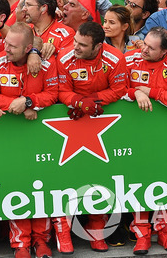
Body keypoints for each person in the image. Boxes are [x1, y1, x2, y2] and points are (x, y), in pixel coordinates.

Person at [0, 23, 59, 258]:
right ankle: (20, 244)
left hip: (41, 139)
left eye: (13, 46)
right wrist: (15, 105)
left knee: (42, 189)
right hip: (8, 140)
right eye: (6, 44)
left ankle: (41, 241)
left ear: (28, 48)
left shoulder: (46, 63)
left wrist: (28, 101)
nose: (6, 49)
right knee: (17, 190)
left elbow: (53, 94)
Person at [56, 22, 128, 252]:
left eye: (82, 45)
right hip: (69, 123)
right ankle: (63, 230)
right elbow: (61, 91)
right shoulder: (65, 57)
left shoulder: (115, 59)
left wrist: (93, 99)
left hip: (102, 126)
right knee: (61, 180)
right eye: (75, 41)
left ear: (98, 46)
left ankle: (97, 228)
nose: (75, 47)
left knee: (100, 177)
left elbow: (119, 90)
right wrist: (78, 102)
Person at [123, 27, 167, 253]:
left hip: (165, 138)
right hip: (133, 134)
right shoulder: (130, 58)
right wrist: (136, 93)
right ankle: (142, 233)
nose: (144, 50)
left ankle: (164, 232)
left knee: (165, 183)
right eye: (144, 44)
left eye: (151, 48)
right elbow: (115, 88)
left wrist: (151, 91)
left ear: (164, 52)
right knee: (137, 182)